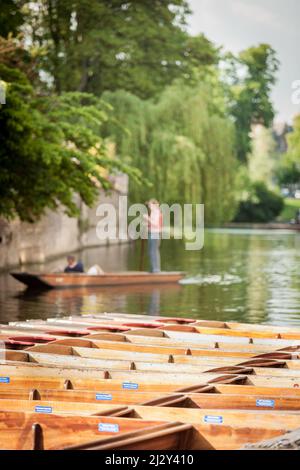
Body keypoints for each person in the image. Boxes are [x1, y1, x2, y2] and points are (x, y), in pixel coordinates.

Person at [144, 199, 163, 273]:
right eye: (149, 205)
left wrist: (147, 219)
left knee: (154, 251)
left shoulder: (157, 212)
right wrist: (147, 225)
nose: (149, 206)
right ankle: (153, 269)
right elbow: (152, 224)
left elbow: (156, 224)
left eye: (150, 205)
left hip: (155, 234)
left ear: (155, 205)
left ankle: (156, 269)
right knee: (150, 251)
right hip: (151, 233)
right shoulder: (153, 212)